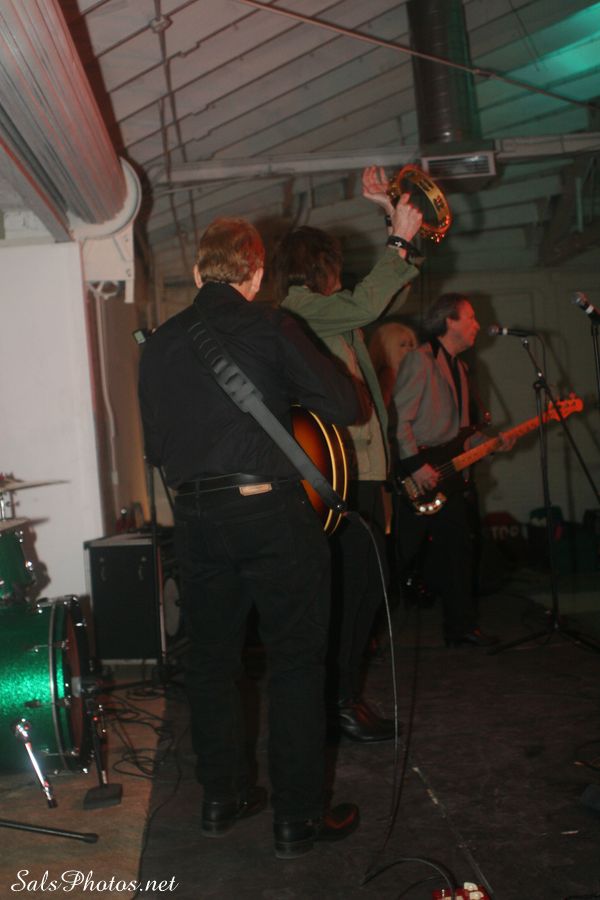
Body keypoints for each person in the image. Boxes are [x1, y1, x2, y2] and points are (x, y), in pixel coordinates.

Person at [138, 217, 362, 859]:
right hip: (269, 512)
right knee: (296, 660)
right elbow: (347, 407)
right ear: (257, 274)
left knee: (211, 663)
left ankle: (222, 797)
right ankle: (296, 819)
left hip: (196, 520)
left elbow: (157, 448)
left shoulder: (159, 344)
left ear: (198, 270)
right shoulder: (272, 325)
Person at [273, 167, 423, 741]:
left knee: (365, 592)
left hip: (363, 471)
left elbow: (390, 290)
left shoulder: (329, 308)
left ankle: (342, 700)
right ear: (320, 267)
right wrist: (397, 239)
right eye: (335, 263)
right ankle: (336, 704)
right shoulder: (300, 308)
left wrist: (391, 216)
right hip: (341, 475)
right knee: (352, 593)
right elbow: (369, 303)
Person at [391, 293, 513, 647]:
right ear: (449, 321)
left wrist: (488, 442)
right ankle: (364, 632)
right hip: (418, 476)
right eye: (470, 317)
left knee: (458, 552)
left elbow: (460, 434)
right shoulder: (420, 360)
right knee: (399, 555)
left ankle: (460, 627)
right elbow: (399, 420)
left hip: (449, 477)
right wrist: (415, 466)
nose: (477, 324)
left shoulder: (460, 369)